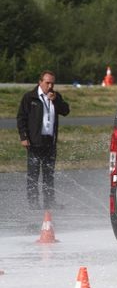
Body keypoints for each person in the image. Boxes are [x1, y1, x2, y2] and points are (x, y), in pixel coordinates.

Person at [17, 70, 70, 209]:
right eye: (47, 83)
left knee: (49, 175)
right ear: (40, 82)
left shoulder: (55, 96)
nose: (50, 86)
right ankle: (34, 203)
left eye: (52, 83)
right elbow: (21, 118)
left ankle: (49, 202)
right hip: (34, 142)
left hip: (50, 142)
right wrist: (23, 137)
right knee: (33, 175)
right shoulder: (30, 97)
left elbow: (65, 111)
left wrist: (56, 100)